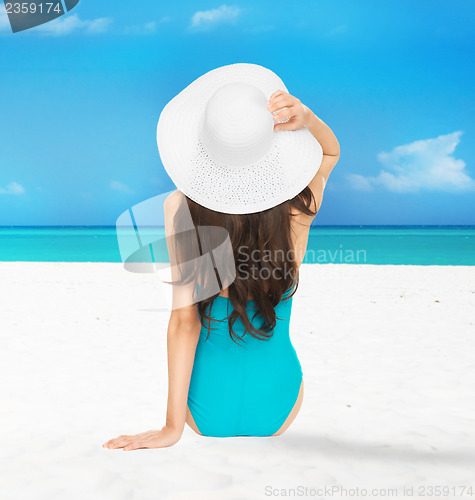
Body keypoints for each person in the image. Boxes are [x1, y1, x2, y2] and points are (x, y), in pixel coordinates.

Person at [103, 63, 340, 450]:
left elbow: (184, 324)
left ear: (203, 147)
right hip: (278, 409)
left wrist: (171, 428)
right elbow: (330, 152)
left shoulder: (180, 208)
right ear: (270, 144)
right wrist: (307, 118)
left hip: (204, 412)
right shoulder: (298, 208)